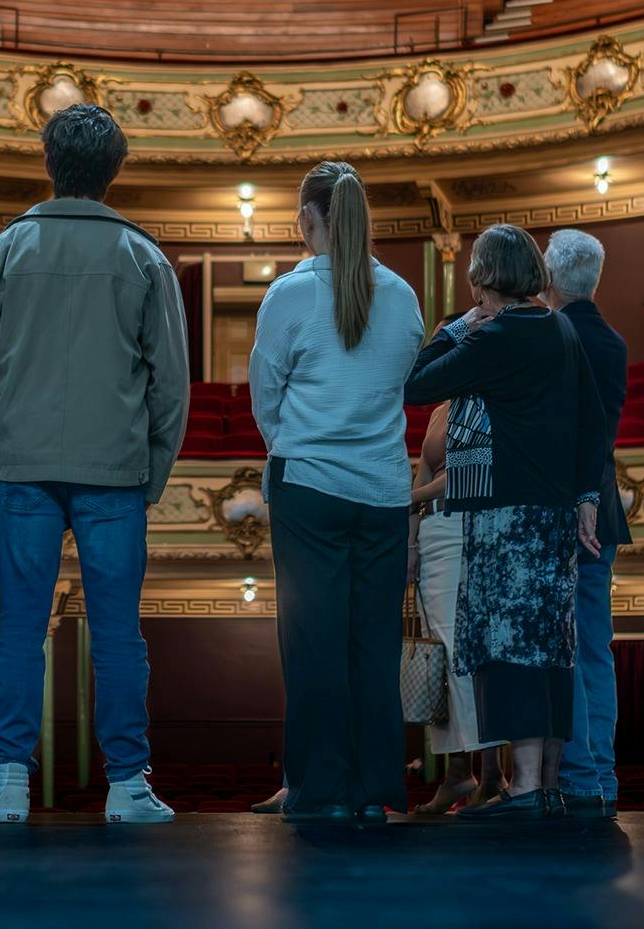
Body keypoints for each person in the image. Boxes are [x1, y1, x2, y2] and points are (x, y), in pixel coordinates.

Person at [0, 103, 190, 825]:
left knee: (20, 629)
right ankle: (126, 785)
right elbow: (172, 384)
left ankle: (9, 786)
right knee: (118, 632)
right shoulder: (144, 257)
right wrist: (153, 470)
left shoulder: (0, 252)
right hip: (115, 470)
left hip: (23, 466)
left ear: (48, 164)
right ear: (114, 171)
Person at [403, 224, 608, 821]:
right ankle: (542, 786)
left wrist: (454, 329)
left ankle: (519, 789)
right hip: (552, 519)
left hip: (504, 519)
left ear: (483, 279)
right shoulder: (560, 328)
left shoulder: (497, 336)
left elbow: (415, 385)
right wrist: (586, 496)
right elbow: (593, 422)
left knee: (507, 649)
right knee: (548, 648)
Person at [249, 160, 424, 824]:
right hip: (381, 490)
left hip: (310, 487)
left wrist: (291, 444)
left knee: (313, 644)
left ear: (306, 221)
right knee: (373, 646)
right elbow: (399, 385)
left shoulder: (290, 295)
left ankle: (320, 790)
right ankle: (374, 790)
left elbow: (266, 396)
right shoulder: (403, 296)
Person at [542, 229, 629, 819]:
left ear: (549, 278)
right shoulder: (612, 341)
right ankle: (600, 776)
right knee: (595, 648)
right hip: (604, 506)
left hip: (566, 511)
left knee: (565, 649)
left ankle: (575, 777)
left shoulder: (553, 336)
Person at [408, 380, 506, 815]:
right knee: (439, 659)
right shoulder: (440, 410)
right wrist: (410, 546)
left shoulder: (486, 398)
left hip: (467, 526)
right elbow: (425, 470)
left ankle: (489, 776)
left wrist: (411, 498)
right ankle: (456, 772)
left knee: (464, 652)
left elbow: (468, 473)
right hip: (433, 531)